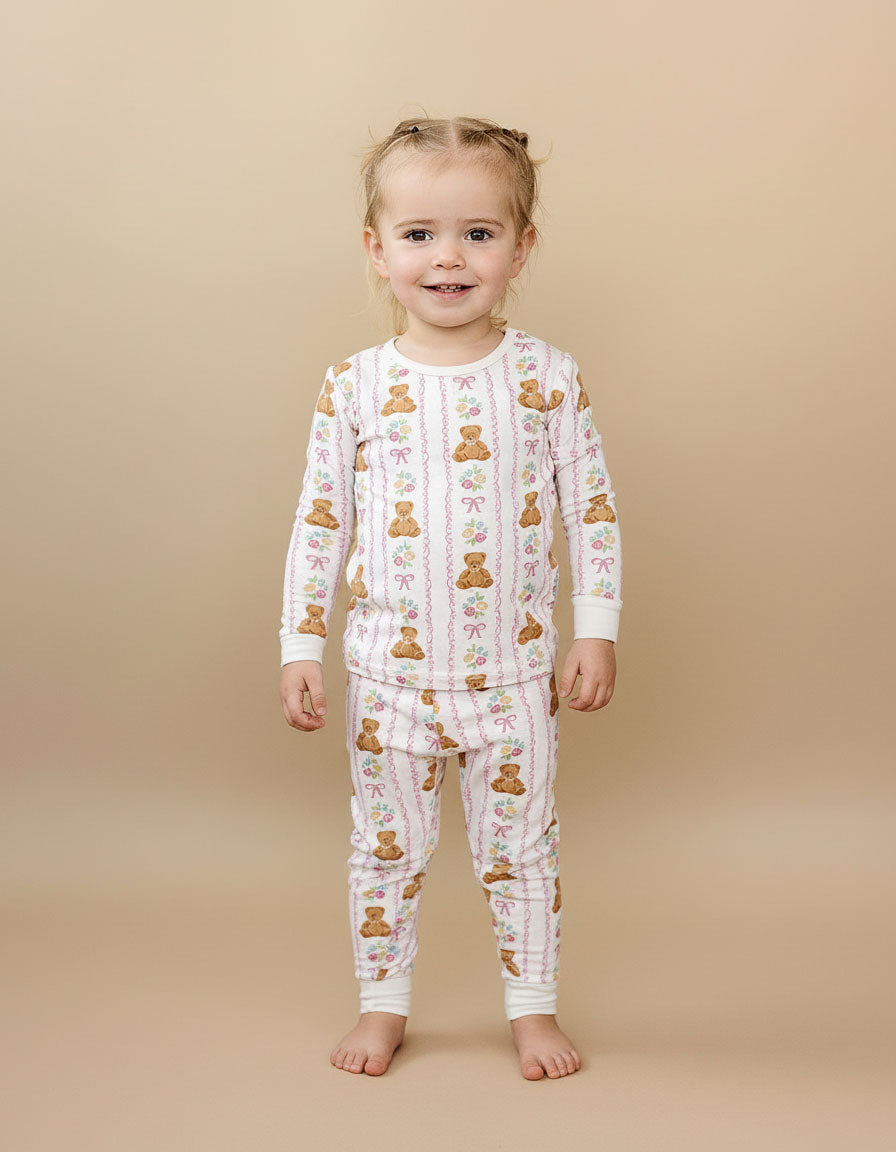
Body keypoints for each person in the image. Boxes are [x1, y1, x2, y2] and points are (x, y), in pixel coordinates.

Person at [277, 116, 623, 1080]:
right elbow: (319, 522)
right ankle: (383, 1004)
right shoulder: (354, 387)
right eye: (419, 234)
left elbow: (591, 512)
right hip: (388, 683)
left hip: (512, 679)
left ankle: (533, 1009)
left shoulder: (546, 379)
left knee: (523, 852)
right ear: (376, 247)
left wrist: (595, 630)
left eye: (478, 232)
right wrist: (300, 642)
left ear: (521, 246)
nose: (448, 258)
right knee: (386, 852)